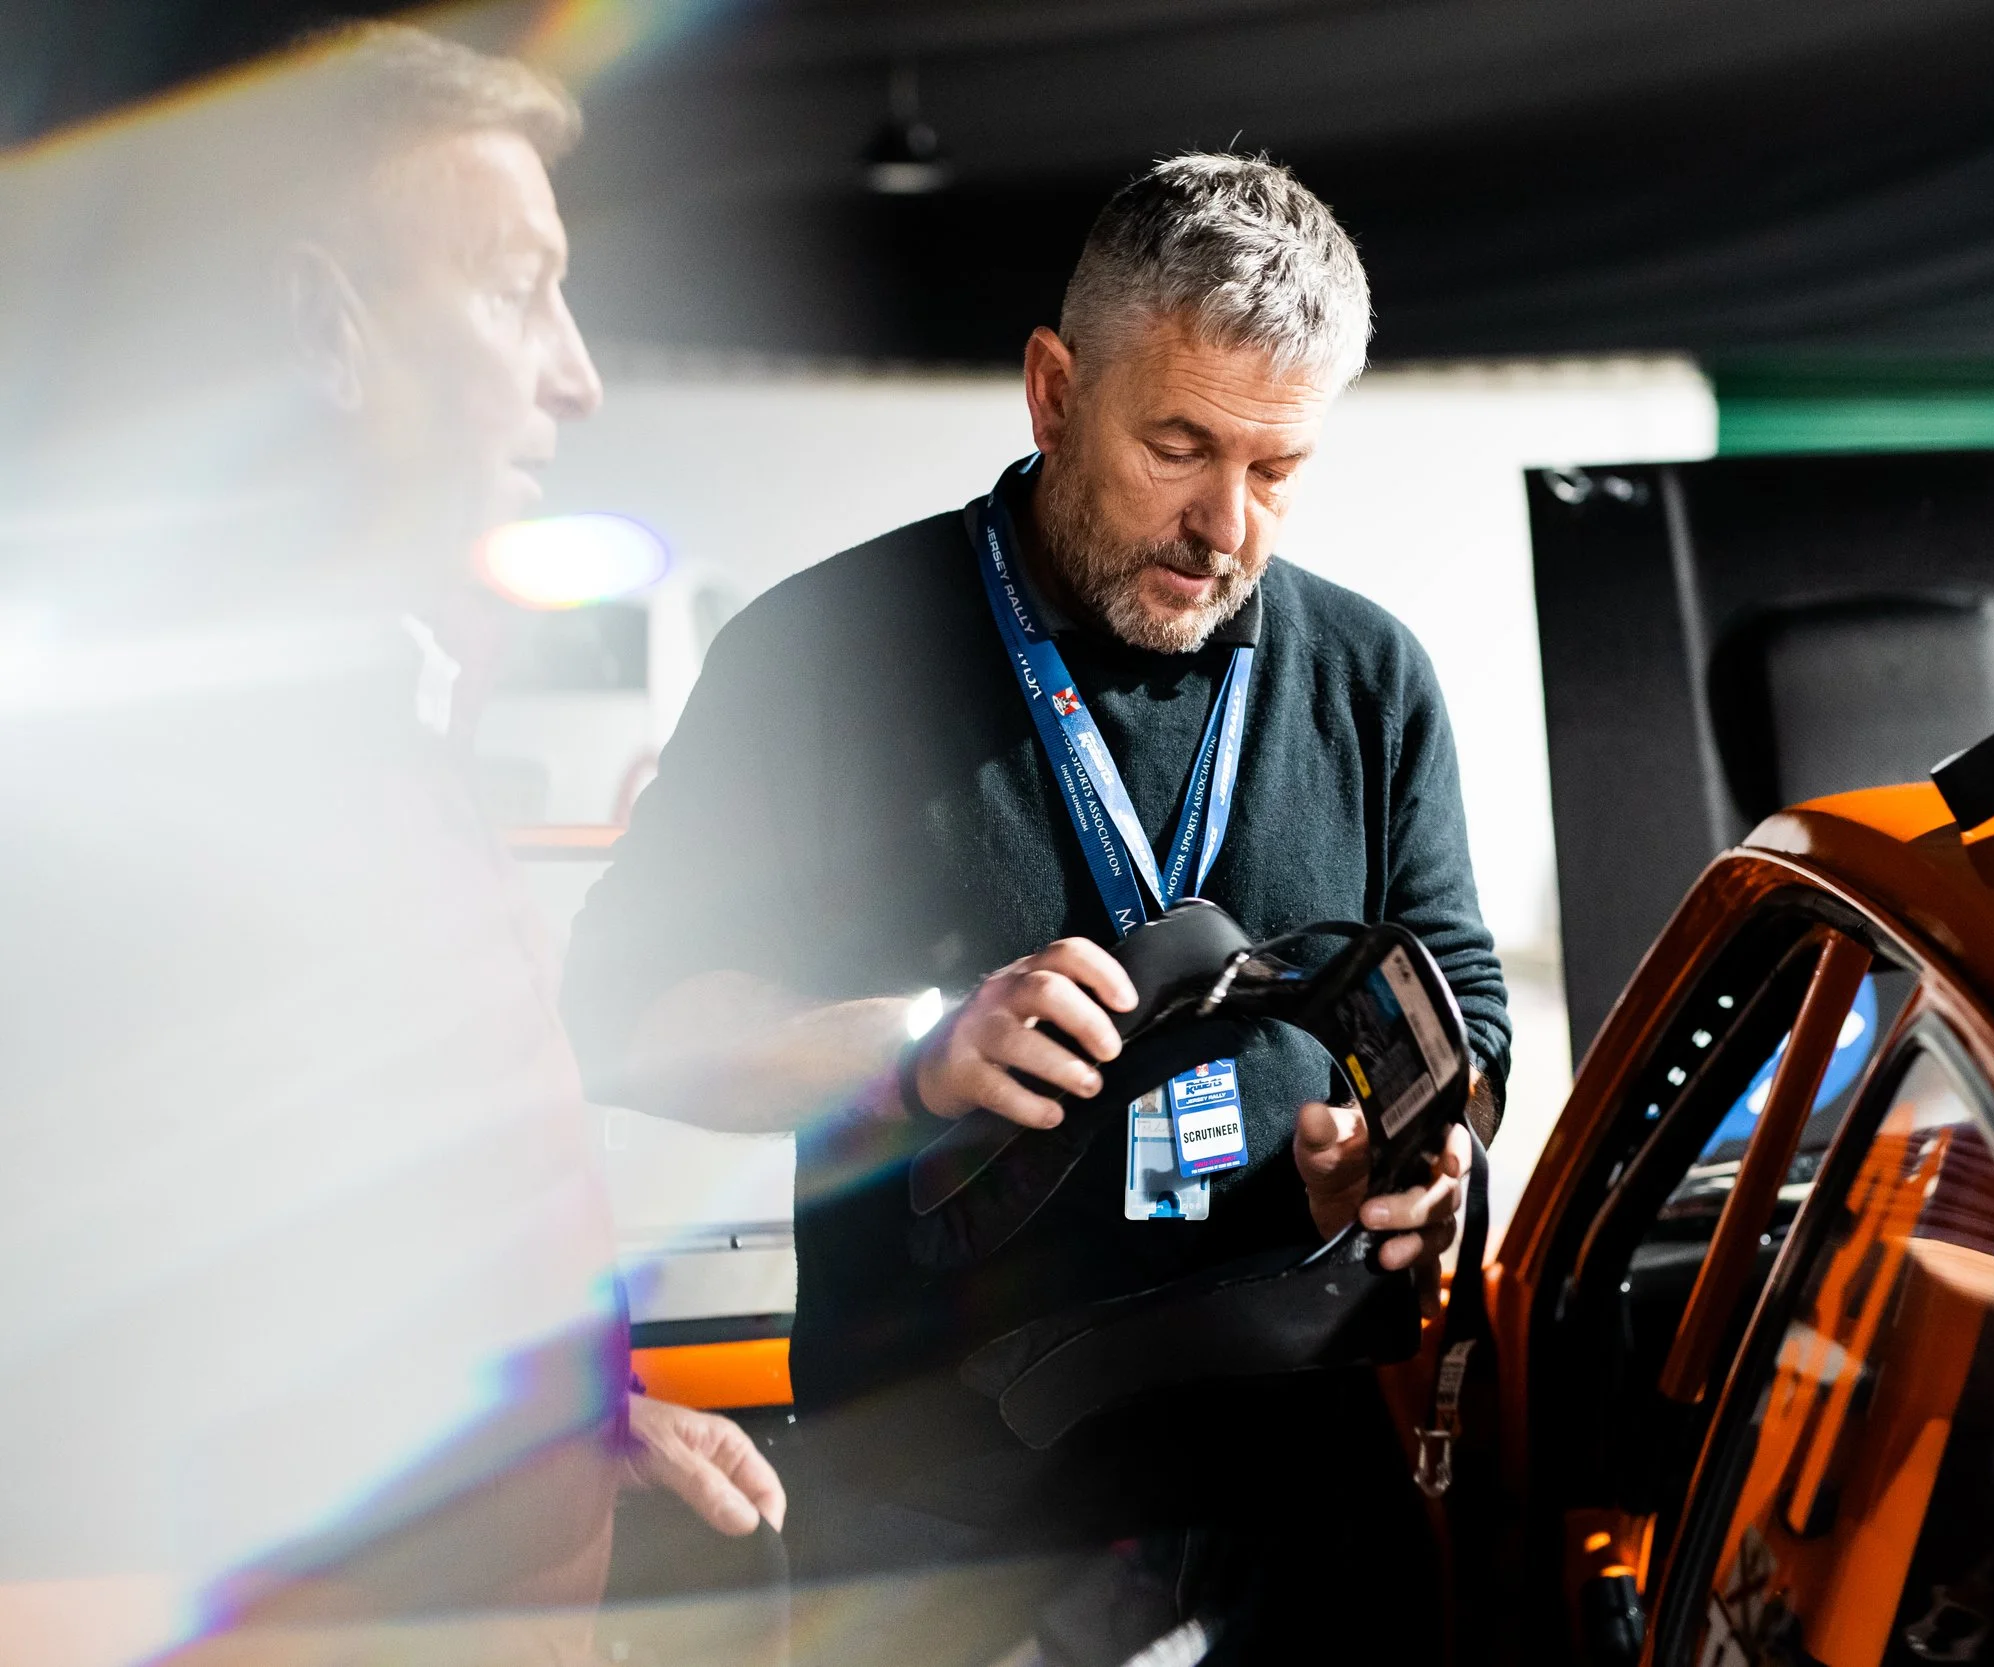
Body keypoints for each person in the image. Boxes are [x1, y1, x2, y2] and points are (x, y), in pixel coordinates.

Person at [561, 154, 1510, 1662]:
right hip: (940, 1493)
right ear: (1055, 392)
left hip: (1296, 1465)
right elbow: (621, 1018)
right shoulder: (822, 655)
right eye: (1180, 447)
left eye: (1276, 472)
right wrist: (912, 1052)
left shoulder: (1368, 675)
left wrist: (1400, 1149)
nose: (1226, 530)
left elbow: (1468, 1007)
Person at [0, 24, 778, 1664]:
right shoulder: (137, 792)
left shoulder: (393, 719)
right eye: (513, 287)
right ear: (323, 329)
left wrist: (587, 1411)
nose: (575, 369)